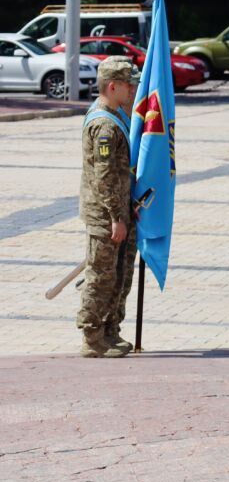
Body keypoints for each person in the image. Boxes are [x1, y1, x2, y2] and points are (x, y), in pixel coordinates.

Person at [77, 56, 139, 358]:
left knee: (120, 275)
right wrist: (117, 217)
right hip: (106, 216)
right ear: (112, 86)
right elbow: (104, 176)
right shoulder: (104, 124)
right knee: (101, 277)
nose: (132, 89)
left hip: (121, 211)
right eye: (128, 84)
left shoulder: (115, 115)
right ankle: (92, 337)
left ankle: (111, 330)